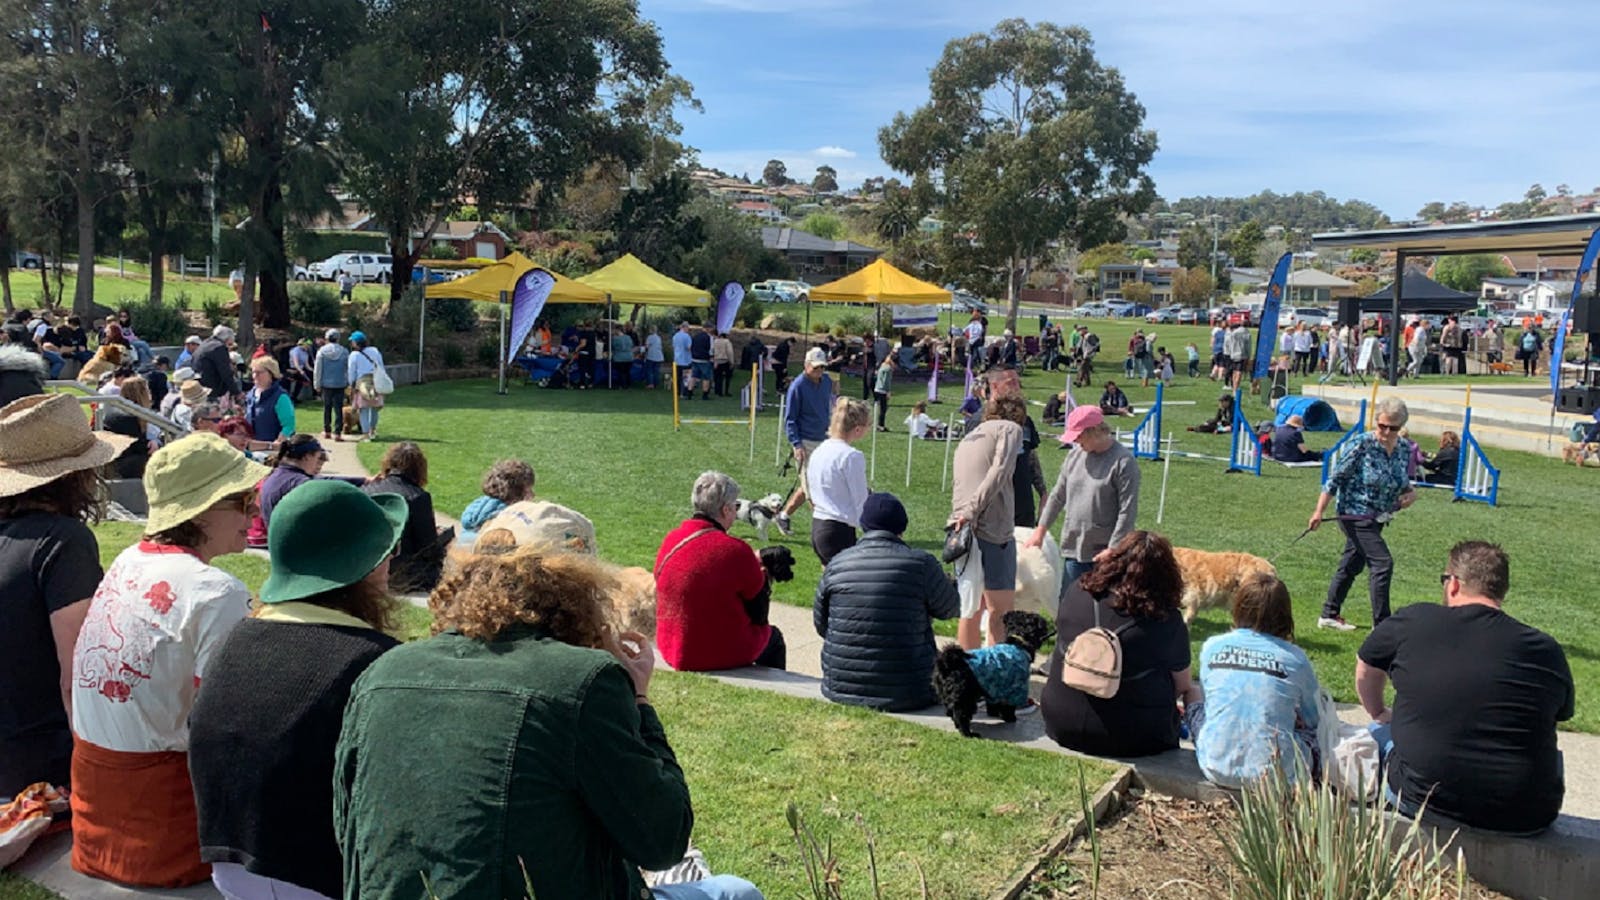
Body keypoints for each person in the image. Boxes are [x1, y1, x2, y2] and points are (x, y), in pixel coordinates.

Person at [334, 544, 765, 900]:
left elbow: (346, 824)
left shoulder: (382, 672)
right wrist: (639, 699)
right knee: (736, 892)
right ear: (576, 607)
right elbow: (663, 841)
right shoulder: (582, 679)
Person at [189, 481, 405, 900]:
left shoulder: (239, 637)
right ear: (369, 565)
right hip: (315, 876)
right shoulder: (377, 661)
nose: (390, 564)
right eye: (386, 552)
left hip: (228, 866)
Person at [69, 433, 266, 886]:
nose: (254, 510)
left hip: (95, 809)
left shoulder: (128, 560)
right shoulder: (216, 591)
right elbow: (221, 726)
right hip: (165, 826)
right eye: (241, 499)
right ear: (200, 509)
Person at [1357, 541, 1573, 834]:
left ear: (1454, 584)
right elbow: (1559, 714)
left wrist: (1379, 710)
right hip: (1528, 813)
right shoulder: (1546, 649)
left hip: (1424, 799)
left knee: (1375, 733)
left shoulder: (1415, 620)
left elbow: (1366, 667)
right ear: (1501, 590)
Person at [0, 395, 132, 799]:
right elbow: (77, 674)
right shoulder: (63, 541)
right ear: (77, 475)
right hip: (36, 766)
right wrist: (95, 777)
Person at [1041, 531, 1200, 758]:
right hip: (1132, 736)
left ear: (1114, 560)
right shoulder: (1166, 620)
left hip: (1060, 720)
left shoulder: (1077, 591)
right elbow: (1182, 685)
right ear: (1166, 575)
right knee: (1194, 689)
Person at [814, 493, 960, 711]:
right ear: (902, 527)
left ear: (864, 525)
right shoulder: (921, 563)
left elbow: (822, 625)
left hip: (840, 685)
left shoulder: (837, 563)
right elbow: (950, 608)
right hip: (911, 689)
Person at [1191, 573, 1323, 788]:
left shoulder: (1212, 647)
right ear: (1284, 614)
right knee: (1313, 738)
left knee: (1196, 709)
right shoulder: (1295, 658)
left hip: (1214, 764)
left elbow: (1211, 703)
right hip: (1275, 775)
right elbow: (1315, 717)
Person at [655, 471, 786, 671]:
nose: (736, 512)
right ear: (725, 510)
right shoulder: (735, 550)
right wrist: (764, 574)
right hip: (712, 653)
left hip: (672, 646)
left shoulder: (672, 540)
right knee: (773, 638)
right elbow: (759, 615)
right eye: (736, 506)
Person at [1308, 396, 1416, 630]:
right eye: (1382, 425)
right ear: (1376, 421)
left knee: (1352, 564)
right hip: (1353, 515)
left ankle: (1329, 613)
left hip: (1379, 516)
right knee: (1382, 563)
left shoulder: (1404, 449)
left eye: (1393, 428)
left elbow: (1402, 481)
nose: (1386, 432)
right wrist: (1318, 511)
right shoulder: (1361, 444)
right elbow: (1334, 480)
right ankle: (1383, 625)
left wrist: (1410, 494)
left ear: (1401, 427)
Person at [1028, 405, 1140, 587]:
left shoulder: (1124, 462)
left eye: (1079, 436)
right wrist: (1040, 530)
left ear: (1095, 431)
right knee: (1069, 608)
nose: (1076, 441)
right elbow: (1057, 496)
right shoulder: (1074, 456)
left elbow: (1127, 511)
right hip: (1074, 548)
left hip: (1106, 553)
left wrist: (1114, 549)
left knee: (1105, 611)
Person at [950, 395, 1025, 649]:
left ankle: (968, 669)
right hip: (991, 528)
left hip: (960, 529)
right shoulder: (1011, 429)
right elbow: (999, 471)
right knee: (1000, 611)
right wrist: (972, 510)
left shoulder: (970, 436)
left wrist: (964, 514)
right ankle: (995, 671)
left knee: (970, 607)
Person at [362, 441, 451, 592]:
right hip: (404, 571)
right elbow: (428, 547)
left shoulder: (367, 491)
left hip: (369, 566)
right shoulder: (418, 497)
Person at [774, 347, 835, 537]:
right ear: (806, 365)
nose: (819, 372)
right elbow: (790, 419)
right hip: (806, 442)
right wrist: (796, 444)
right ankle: (824, 531)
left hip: (824, 439)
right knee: (813, 490)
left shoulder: (826, 382)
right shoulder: (797, 386)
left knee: (813, 484)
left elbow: (828, 406)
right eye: (815, 368)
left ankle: (783, 515)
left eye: (822, 368)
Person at [806, 398, 871, 565]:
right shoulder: (851, 456)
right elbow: (860, 499)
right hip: (839, 530)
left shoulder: (820, 450)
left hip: (818, 525)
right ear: (857, 429)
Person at [253, 434, 332, 545]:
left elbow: (324, 479)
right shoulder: (299, 483)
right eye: (317, 458)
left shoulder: (277, 475)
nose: (317, 463)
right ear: (307, 457)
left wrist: (360, 481)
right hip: (295, 548)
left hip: (278, 543)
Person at [459, 458, 536, 543]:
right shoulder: (510, 519)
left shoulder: (477, 509)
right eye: (529, 489)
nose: (533, 495)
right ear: (518, 491)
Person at [101, 375, 161, 478]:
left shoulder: (117, 411)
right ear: (142, 394)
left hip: (118, 461)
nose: (150, 394)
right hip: (121, 465)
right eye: (147, 391)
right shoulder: (128, 417)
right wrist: (157, 443)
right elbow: (139, 446)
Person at [245, 356, 295, 446]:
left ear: (271, 374)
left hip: (272, 449)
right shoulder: (250, 395)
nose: (255, 376)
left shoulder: (281, 397)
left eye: (259, 372)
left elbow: (288, 426)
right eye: (253, 372)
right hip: (251, 447)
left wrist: (277, 443)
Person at [346, 331, 384, 440]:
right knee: (374, 408)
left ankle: (366, 434)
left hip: (362, 383)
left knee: (363, 409)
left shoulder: (354, 355)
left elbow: (351, 371)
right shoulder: (374, 351)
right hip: (375, 381)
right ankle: (373, 431)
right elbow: (381, 365)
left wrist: (351, 384)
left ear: (355, 342)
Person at [314, 327, 350, 441]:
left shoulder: (322, 352)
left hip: (326, 384)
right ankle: (338, 433)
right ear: (338, 339)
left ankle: (327, 431)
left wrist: (317, 384)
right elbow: (347, 369)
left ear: (327, 338)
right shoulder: (344, 351)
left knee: (327, 407)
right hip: (340, 383)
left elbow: (318, 369)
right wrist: (348, 382)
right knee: (338, 408)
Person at [194, 325, 239, 401]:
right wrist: (236, 392)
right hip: (212, 388)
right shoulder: (219, 347)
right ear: (227, 339)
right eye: (230, 344)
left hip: (199, 386)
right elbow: (225, 372)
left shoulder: (204, 343)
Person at [689, 323, 714, 400]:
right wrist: (711, 357)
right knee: (706, 377)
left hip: (694, 358)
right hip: (704, 360)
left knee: (693, 376)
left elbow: (691, 346)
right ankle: (705, 395)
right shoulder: (709, 337)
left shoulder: (695, 336)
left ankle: (689, 393)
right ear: (708, 328)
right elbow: (711, 349)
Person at [672, 321, 694, 398]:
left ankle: (677, 392)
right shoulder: (687, 336)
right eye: (688, 328)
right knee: (686, 377)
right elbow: (689, 347)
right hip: (685, 360)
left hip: (677, 359)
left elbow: (674, 347)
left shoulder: (675, 336)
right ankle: (684, 393)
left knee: (678, 377)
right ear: (685, 327)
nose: (688, 329)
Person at [872, 353, 893, 431]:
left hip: (877, 388)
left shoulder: (881, 367)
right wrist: (888, 391)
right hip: (882, 390)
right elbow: (886, 381)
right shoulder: (888, 369)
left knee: (879, 407)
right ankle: (880, 425)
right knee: (883, 409)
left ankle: (879, 424)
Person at [611, 324, 636, 389]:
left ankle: (623, 385)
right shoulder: (628, 337)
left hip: (619, 357)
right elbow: (632, 345)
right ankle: (628, 384)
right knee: (627, 372)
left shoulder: (615, 338)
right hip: (629, 357)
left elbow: (613, 346)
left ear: (617, 330)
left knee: (621, 372)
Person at [710, 330, 734, 397]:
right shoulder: (727, 342)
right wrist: (731, 362)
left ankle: (718, 391)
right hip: (725, 361)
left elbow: (712, 350)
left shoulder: (715, 341)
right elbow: (730, 352)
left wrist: (713, 359)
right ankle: (726, 391)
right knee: (727, 377)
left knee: (717, 377)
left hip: (717, 361)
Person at [643, 324, 665, 389]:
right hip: (659, 356)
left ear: (651, 330)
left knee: (649, 370)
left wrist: (642, 351)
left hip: (651, 356)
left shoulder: (650, 337)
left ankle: (650, 383)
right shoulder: (658, 337)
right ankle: (656, 383)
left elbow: (646, 346)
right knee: (656, 370)